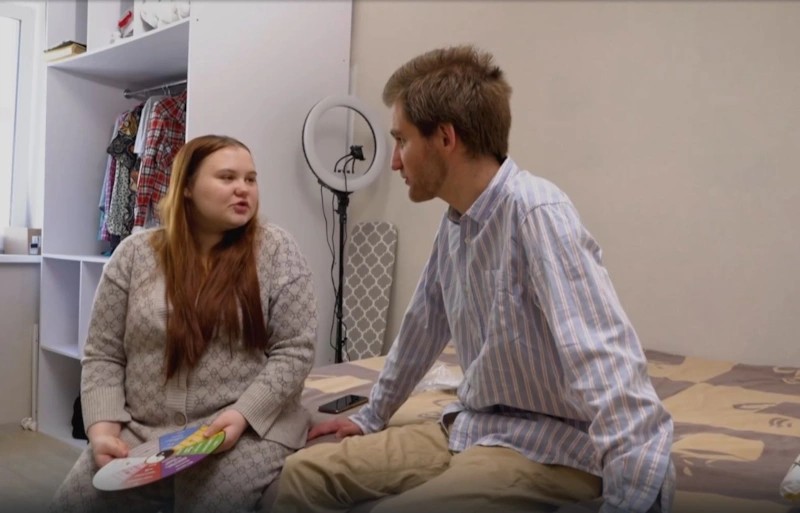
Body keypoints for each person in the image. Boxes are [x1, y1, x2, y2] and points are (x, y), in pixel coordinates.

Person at [271, 45, 675, 513]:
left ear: (445, 137)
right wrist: (372, 416)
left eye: (401, 141)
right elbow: (422, 326)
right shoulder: (456, 222)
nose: (394, 162)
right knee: (302, 474)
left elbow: (604, 360)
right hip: (471, 425)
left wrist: (636, 494)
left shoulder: (536, 212)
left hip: (548, 448)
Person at [50, 134, 318, 513]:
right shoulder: (133, 255)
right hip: (143, 432)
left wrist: (242, 414)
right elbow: (104, 354)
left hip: (245, 430)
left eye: (251, 179)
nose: (243, 189)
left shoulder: (276, 250)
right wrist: (103, 429)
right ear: (187, 187)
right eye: (227, 177)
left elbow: (295, 350)